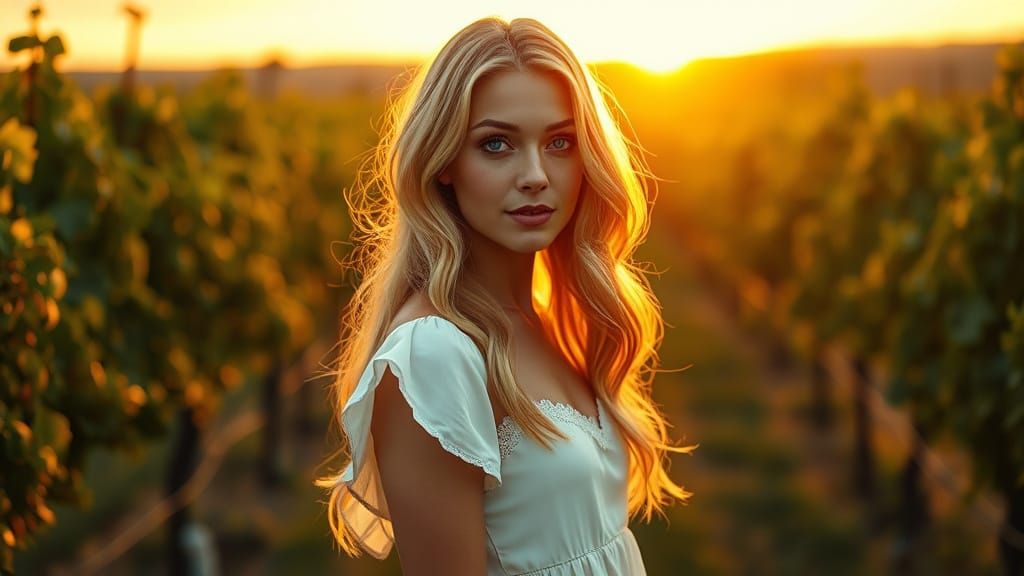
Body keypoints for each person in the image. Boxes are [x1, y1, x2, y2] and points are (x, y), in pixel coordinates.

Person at [316, 16, 696, 576]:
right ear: (444, 163)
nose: (536, 175)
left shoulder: (548, 319)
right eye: (496, 144)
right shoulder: (434, 356)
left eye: (560, 142)